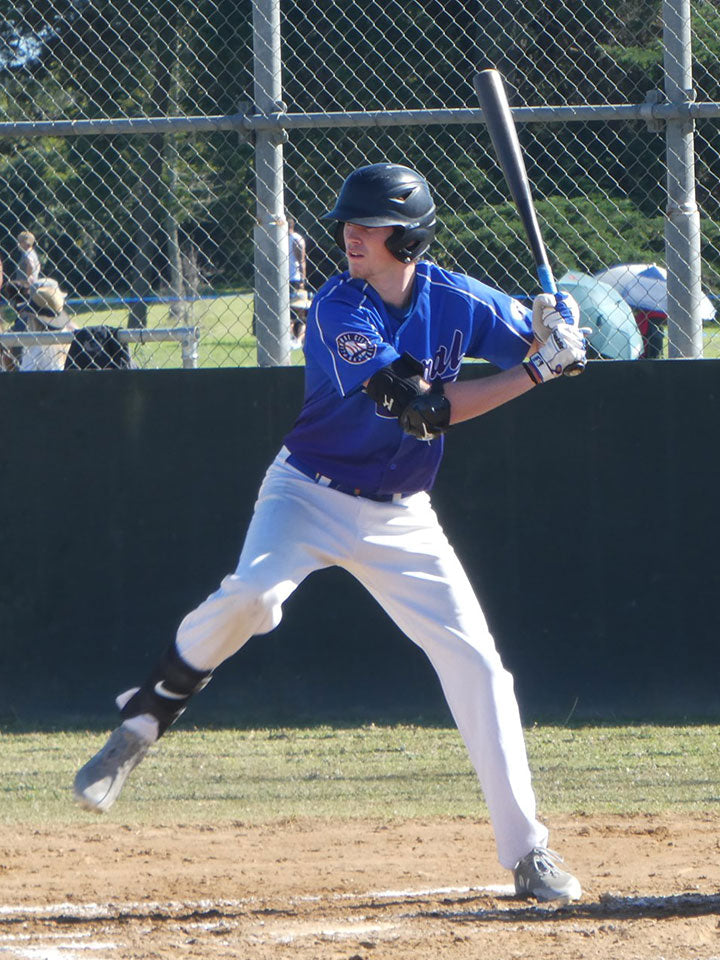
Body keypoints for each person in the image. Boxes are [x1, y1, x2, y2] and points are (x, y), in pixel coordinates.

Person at [73, 163, 587, 904]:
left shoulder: (456, 299)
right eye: (349, 220)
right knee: (254, 597)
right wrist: (538, 372)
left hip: (402, 513)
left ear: (408, 236)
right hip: (307, 492)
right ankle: (148, 712)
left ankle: (528, 853)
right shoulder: (338, 309)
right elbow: (424, 410)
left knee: (478, 667)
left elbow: (544, 346)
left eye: (370, 223)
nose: (352, 231)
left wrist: (556, 330)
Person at [287, 216, 307, 294]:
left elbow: (301, 260)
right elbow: (302, 261)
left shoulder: (296, 239)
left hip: (293, 278)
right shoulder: (278, 238)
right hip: (289, 278)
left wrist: (302, 280)